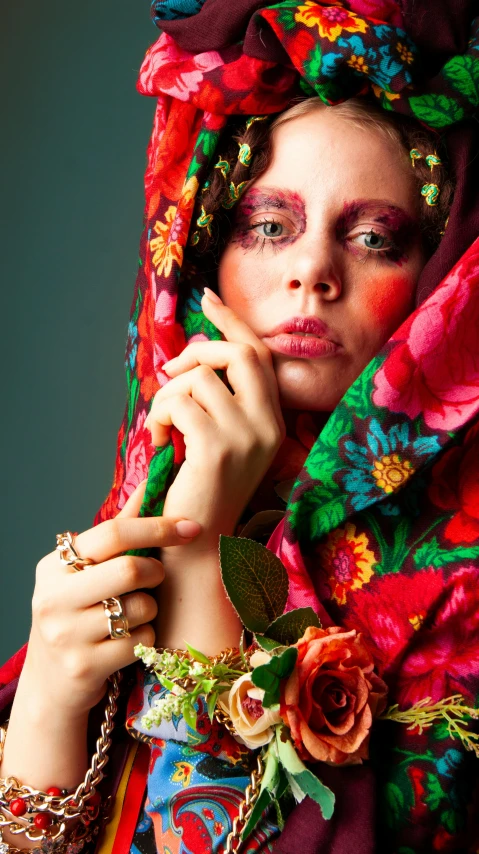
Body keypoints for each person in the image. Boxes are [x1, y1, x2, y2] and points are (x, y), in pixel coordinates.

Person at [1, 2, 478, 853]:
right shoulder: (145, 495)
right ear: (199, 260)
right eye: (267, 226)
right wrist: (45, 703)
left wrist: (202, 555)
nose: (310, 273)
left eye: (374, 238)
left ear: (436, 290)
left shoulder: (460, 595)